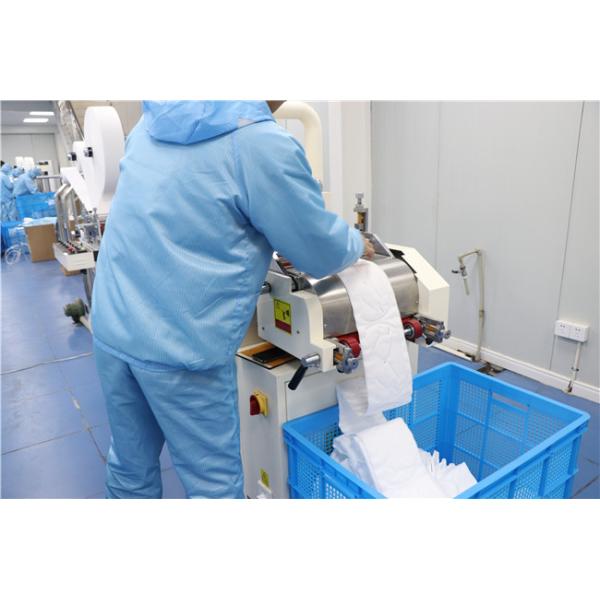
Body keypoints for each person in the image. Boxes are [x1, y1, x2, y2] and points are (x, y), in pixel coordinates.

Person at [92, 100, 374, 499]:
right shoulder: (259, 144)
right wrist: (356, 243)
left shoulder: (153, 120)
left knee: (129, 468)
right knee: (214, 487)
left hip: (114, 327)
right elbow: (318, 250)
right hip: (181, 349)